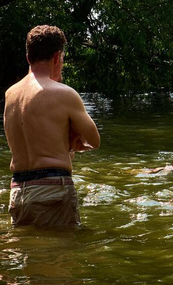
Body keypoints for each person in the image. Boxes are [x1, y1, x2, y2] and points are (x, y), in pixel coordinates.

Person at [3, 25, 101, 226]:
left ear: (28, 57)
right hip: (52, 189)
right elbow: (94, 140)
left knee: (29, 253)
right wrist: (73, 140)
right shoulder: (64, 94)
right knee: (60, 255)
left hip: (18, 191)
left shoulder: (10, 94)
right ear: (57, 57)